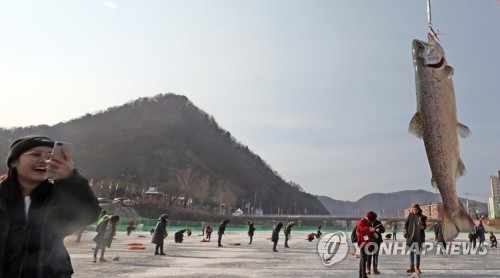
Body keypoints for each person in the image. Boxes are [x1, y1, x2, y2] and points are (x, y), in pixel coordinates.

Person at [0, 135, 100, 277]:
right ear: (14, 161)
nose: (44, 160)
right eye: (35, 154)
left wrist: (70, 178)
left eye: (50, 156)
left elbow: (89, 214)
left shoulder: (58, 197)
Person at [404, 203, 427, 274]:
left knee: (417, 253)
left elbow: (424, 227)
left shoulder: (421, 217)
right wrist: (405, 231)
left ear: (418, 209)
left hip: (418, 238)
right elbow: (406, 224)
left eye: (416, 209)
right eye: (414, 209)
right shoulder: (410, 215)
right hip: (410, 237)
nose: (415, 211)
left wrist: (421, 226)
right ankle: (412, 267)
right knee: (411, 252)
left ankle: (417, 267)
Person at [356, 211, 377, 278]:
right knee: (363, 259)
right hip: (362, 242)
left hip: (366, 242)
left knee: (363, 259)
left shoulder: (366, 221)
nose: (371, 222)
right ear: (369, 218)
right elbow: (359, 230)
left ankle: (362, 275)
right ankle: (363, 275)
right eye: (371, 220)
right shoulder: (362, 221)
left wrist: (373, 232)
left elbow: (367, 232)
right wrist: (369, 229)